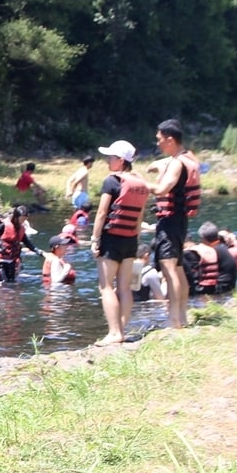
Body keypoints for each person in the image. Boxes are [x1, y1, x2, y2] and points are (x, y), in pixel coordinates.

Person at [89, 139, 147, 345]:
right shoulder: (140, 183)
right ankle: (121, 329)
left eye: (110, 158)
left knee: (106, 286)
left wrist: (95, 239)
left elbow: (102, 212)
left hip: (112, 239)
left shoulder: (111, 181)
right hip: (131, 240)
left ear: (121, 161)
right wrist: (136, 237)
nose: (107, 161)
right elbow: (139, 216)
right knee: (124, 287)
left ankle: (114, 333)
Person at [147, 118, 201, 329]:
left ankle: (175, 321)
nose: (158, 143)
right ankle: (182, 318)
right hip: (180, 220)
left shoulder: (177, 163)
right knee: (177, 268)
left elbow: (163, 189)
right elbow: (165, 167)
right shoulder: (188, 158)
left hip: (170, 220)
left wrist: (140, 184)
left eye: (159, 140)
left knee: (169, 270)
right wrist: (160, 166)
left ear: (170, 139)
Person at [0, 205, 40, 283]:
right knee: (2, 283)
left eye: (25, 220)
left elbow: (27, 243)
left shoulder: (21, 229)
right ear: (16, 217)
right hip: (0, 260)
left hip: (12, 260)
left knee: (11, 282)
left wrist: (38, 251)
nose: (23, 222)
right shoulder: (4, 225)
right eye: (22, 219)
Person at [184, 222, 237, 295]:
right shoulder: (222, 248)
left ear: (203, 238)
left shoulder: (211, 250)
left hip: (220, 289)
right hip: (230, 286)